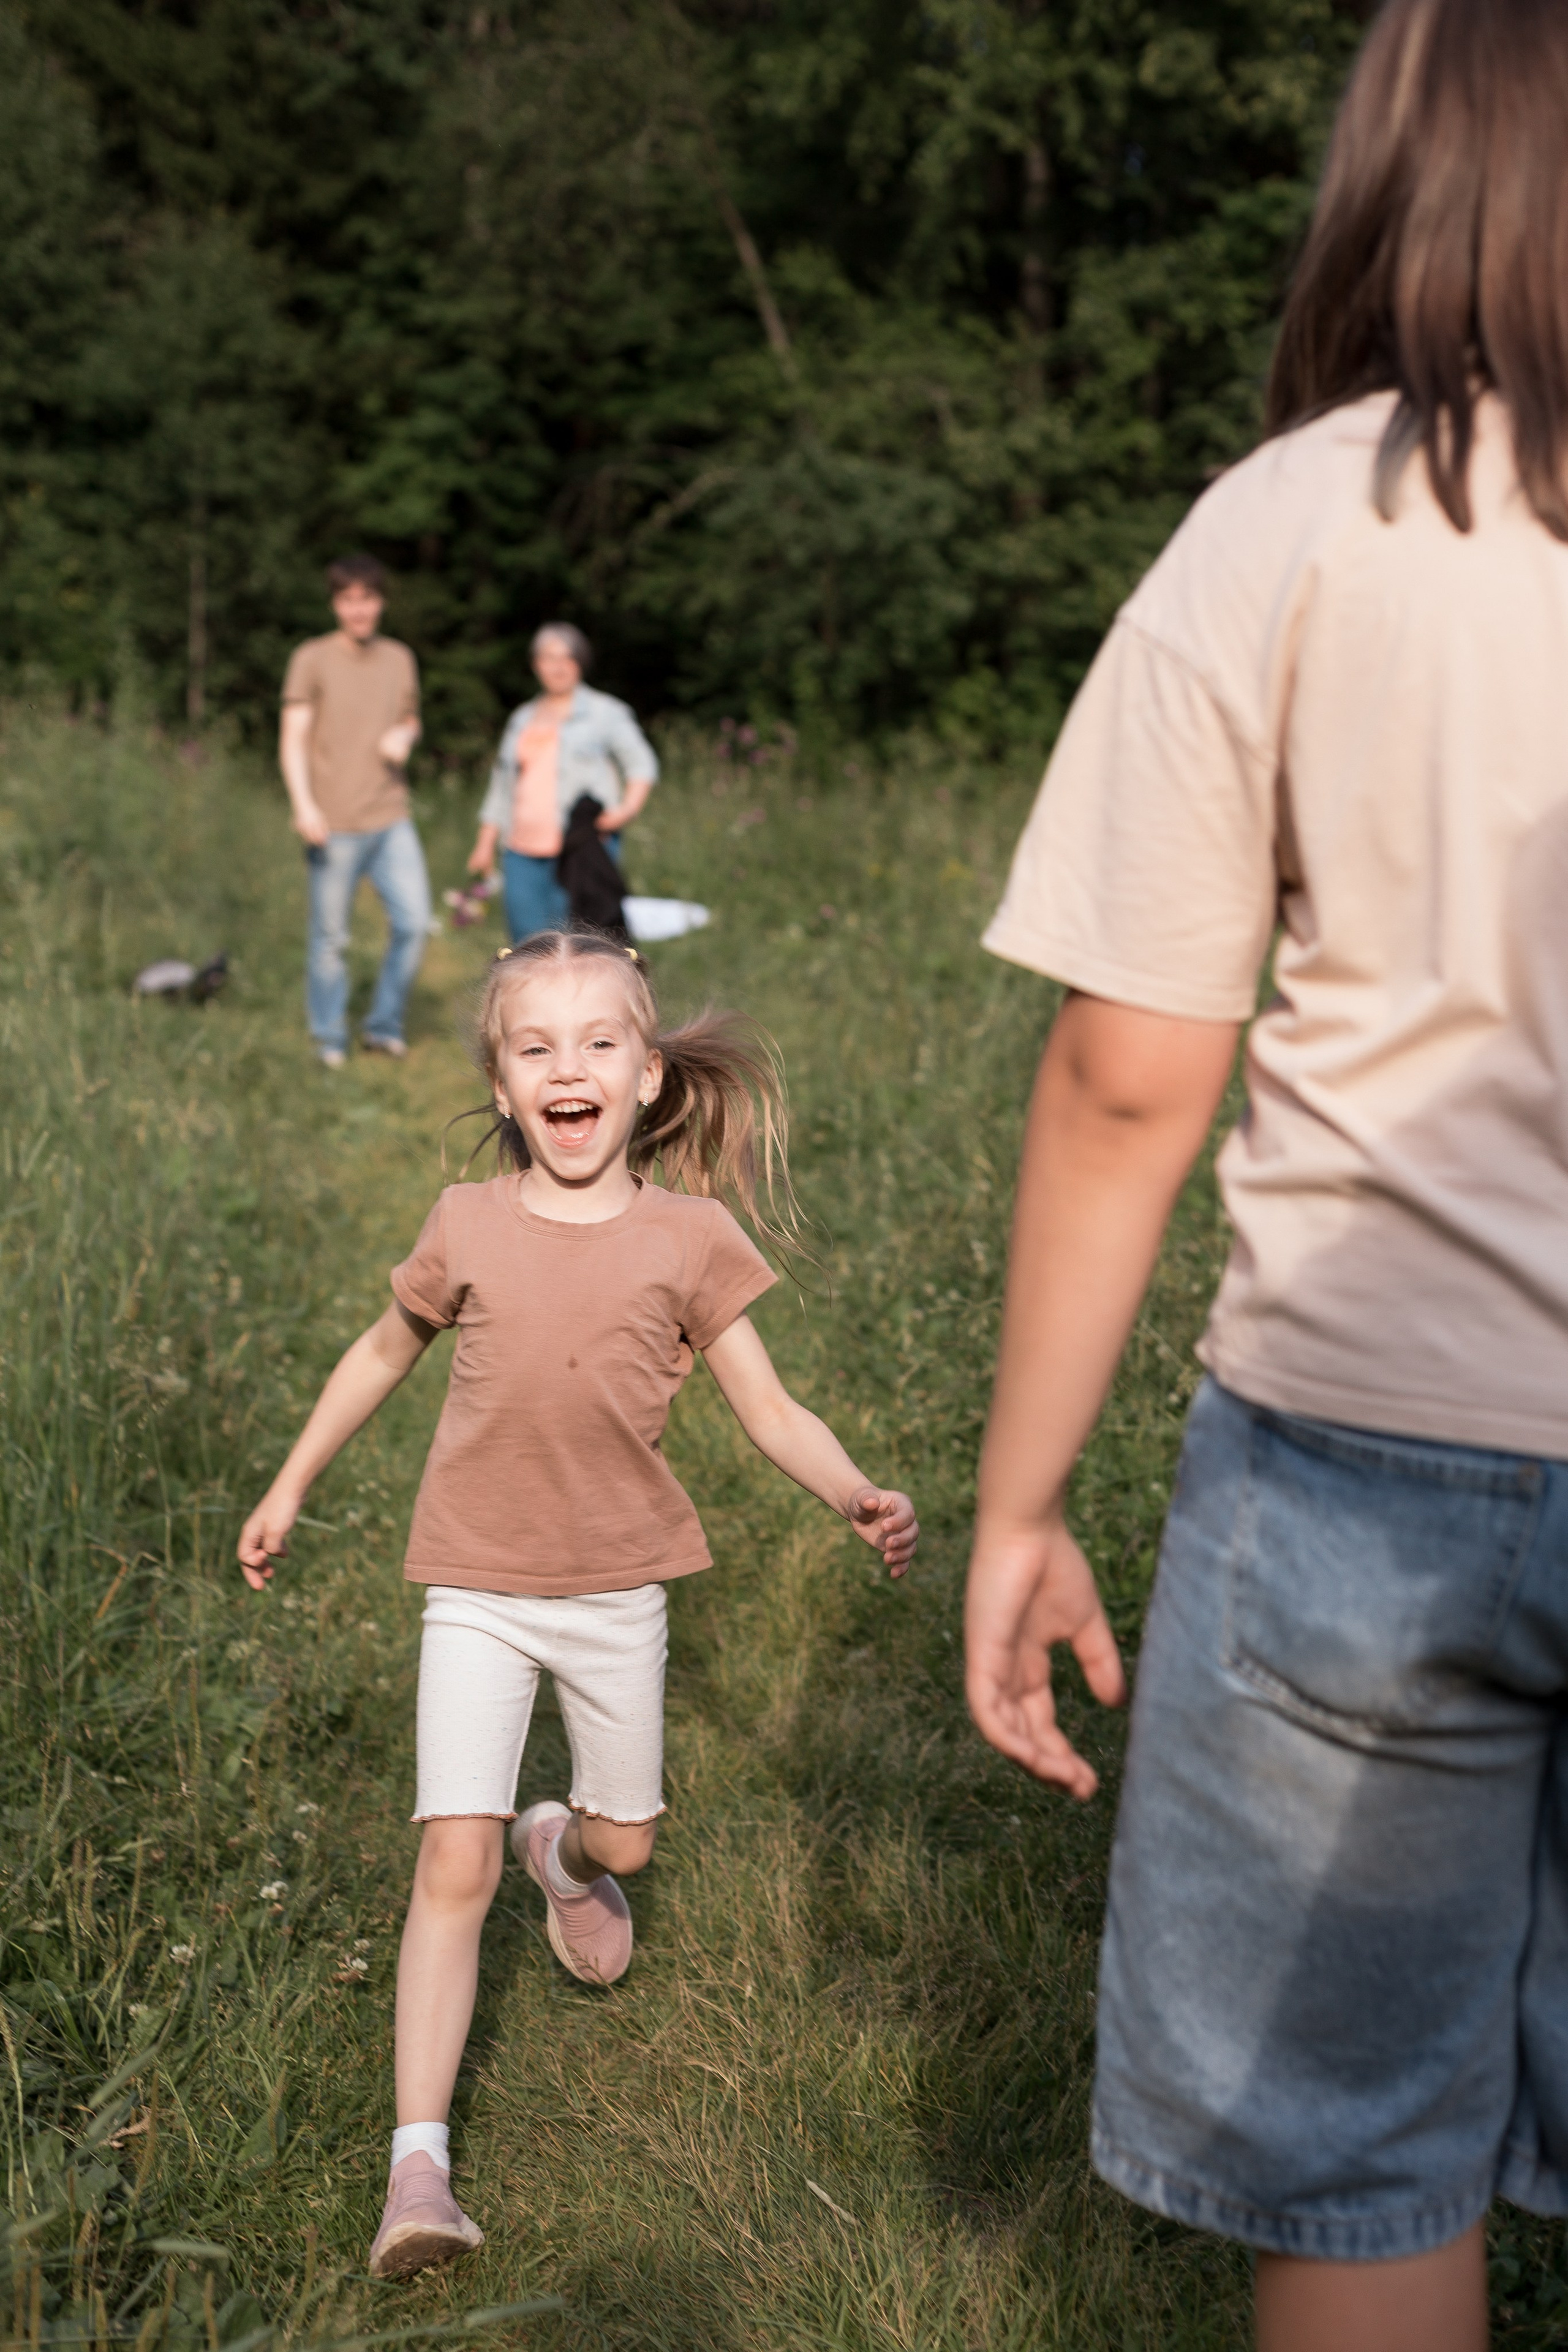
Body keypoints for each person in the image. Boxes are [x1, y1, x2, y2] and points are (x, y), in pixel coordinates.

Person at [964, 1, 1568, 2345]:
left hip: (1353, 1467)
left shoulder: (1292, 523)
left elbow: (1129, 1077)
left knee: (1356, 2178)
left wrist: (1020, 1507)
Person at [235, 929, 918, 2280]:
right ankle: (418, 2172)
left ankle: (566, 1856)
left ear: (648, 1076)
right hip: (476, 1585)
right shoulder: (466, 1223)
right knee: (453, 1861)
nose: (568, 1069)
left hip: (615, 1595)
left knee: (629, 1845)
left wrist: (853, 1492)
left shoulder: (691, 1238)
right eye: (535, 1048)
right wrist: (290, 1483)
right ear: (502, 1086)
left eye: (599, 1043)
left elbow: (771, 1408)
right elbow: (379, 1352)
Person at [281, 555, 431, 1068]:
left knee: (415, 924)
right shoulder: (312, 658)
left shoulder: (399, 658)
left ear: (381, 602)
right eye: (348, 600)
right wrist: (304, 805)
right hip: (333, 823)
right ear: (335, 604)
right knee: (331, 940)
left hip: (391, 817)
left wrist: (404, 734)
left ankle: (383, 1027)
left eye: (367, 598)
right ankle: (329, 1039)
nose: (359, 609)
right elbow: (293, 739)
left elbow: (410, 717)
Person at [467, 624, 657, 943]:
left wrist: (627, 810)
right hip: (520, 851)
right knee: (528, 947)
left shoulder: (605, 712)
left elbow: (642, 764)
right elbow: (502, 783)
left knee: (576, 945)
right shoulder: (522, 718)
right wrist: (485, 842)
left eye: (568, 658)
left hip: (578, 848)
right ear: (536, 664)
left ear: (580, 663)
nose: (558, 667)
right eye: (549, 658)